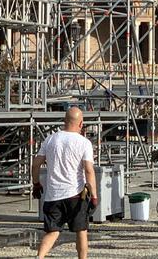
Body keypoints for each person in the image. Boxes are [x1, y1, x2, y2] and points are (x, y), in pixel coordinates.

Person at [32, 107, 97, 259]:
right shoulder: (84, 143)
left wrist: (36, 184)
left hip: (53, 195)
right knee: (81, 230)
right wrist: (94, 195)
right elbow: (88, 170)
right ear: (81, 124)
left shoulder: (50, 139)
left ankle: (39, 257)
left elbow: (35, 165)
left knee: (53, 231)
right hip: (76, 195)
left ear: (64, 121)